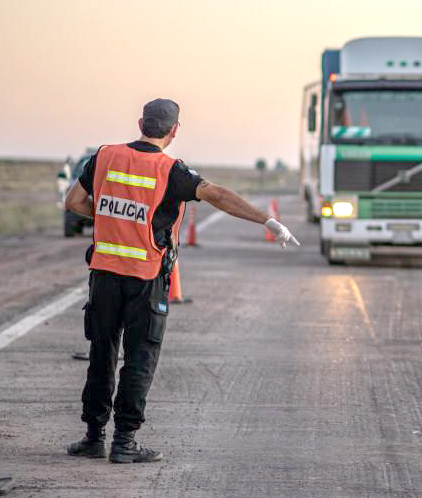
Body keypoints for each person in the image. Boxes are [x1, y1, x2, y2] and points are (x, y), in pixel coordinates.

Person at [63, 98, 298, 464]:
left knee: (102, 352)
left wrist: (112, 218)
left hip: (104, 275)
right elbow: (218, 195)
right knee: (140, 357)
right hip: (145, 279)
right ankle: (124, 442)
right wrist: (268, 222)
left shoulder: (104, 157)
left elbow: (74, 201)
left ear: (141, 122)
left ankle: (94, 436)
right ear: (173, 131)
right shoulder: (170, 170)